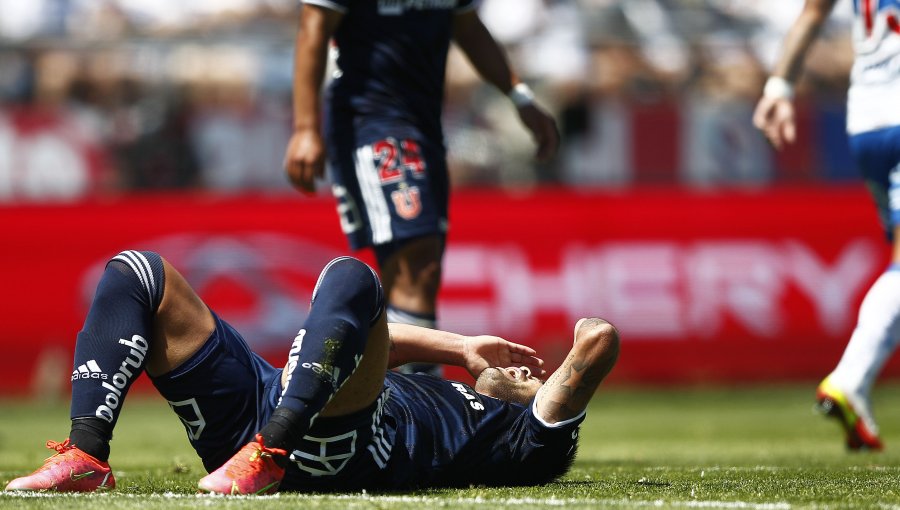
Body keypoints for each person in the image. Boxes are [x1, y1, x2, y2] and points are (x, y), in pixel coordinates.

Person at [4, 250, 618, 493]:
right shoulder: (450, 394)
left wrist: (572, 363)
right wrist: (460, 349)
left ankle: (270, 453)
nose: (529, 375)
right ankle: (87, 455)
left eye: (537, 381)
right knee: (138, 273)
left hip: (337, 447)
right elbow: (366, 343)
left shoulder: (521, 442)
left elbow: (593, 350)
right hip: (269, 406)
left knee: (352, 277)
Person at [282, 1, 560, 375]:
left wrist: (519, 96)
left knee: (413, 274)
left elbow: (469, 28)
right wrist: (305, 128)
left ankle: (388, 402)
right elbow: (313, 28)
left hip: (425, 127)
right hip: (371, 121)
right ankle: (420, 400)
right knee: (418, 266)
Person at [753, 0, 900, 451]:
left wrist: (779, 86)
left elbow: (814, 11)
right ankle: (851, 378)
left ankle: (853, 380)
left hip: (867, 119)